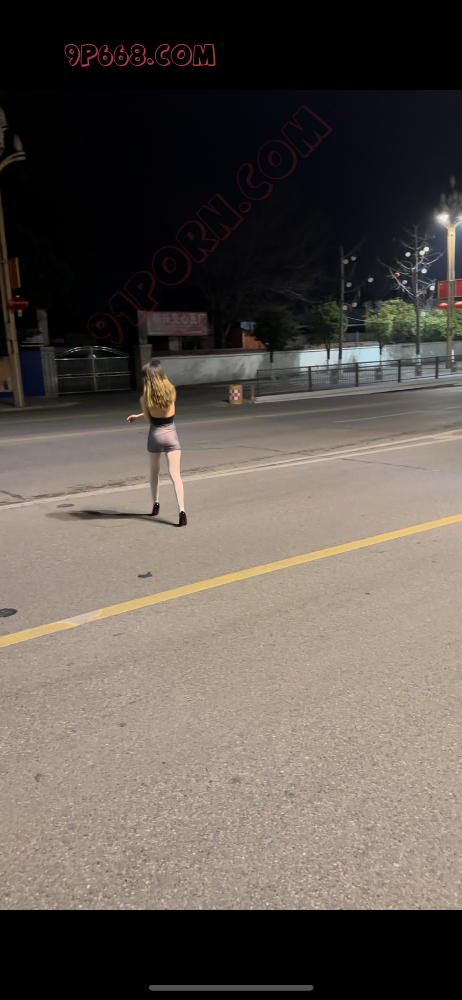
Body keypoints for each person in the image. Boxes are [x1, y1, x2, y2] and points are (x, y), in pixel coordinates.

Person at [127, 359, 187, 526]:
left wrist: (139, 416)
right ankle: (182, 511)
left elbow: (150, 419)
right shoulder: (171, 392)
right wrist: (138, 415)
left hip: (155, 435)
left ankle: (155, 505)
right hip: (171, 435)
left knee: (154, 471)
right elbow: (165, 410)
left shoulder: (145, 399)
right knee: (175, 474)